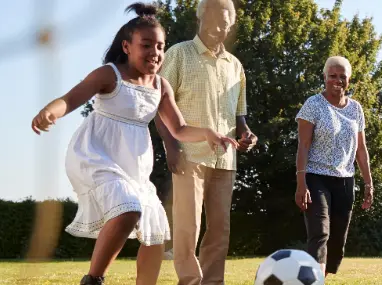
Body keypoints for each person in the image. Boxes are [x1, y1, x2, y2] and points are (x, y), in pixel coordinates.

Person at [30, 3, 237, 285]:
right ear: (127, 47)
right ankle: (93, 279)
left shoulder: (160, 87)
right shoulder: (109, 74)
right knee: (129, 209)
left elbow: (179, 128)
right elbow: (70, 98)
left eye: (161, 47)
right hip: (97, 155)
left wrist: (209, 134)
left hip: (135, 167)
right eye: (147, 45)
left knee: (156, 231)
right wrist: (50, 112)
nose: (155, 53)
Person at [155, 0, 257, 283]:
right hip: (189, 156)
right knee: (188, 228)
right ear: (200, 18)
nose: (217, 28)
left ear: (230, 26)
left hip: (225, 160)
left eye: (224, 24)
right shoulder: (178, 54)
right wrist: (171, 147)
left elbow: (240, 116)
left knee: (219, 230)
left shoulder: (235, 66)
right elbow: (159, 109)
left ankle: (213, 282)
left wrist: (247, 134)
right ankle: (190, 281)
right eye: (212, 21)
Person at [295, 56, 374, 277]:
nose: (337, 80)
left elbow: (361, 150)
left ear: (349, 80)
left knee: (337, 241)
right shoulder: (313, 104)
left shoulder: (356, 109)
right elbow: (303, 145)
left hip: (345, 179)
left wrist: (368, 183)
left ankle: (321, 278)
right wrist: (301, 183)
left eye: (342, 76)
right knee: (320, 233)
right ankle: (314, 281)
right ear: (324, 77)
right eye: (332, 76)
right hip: (315, 176)